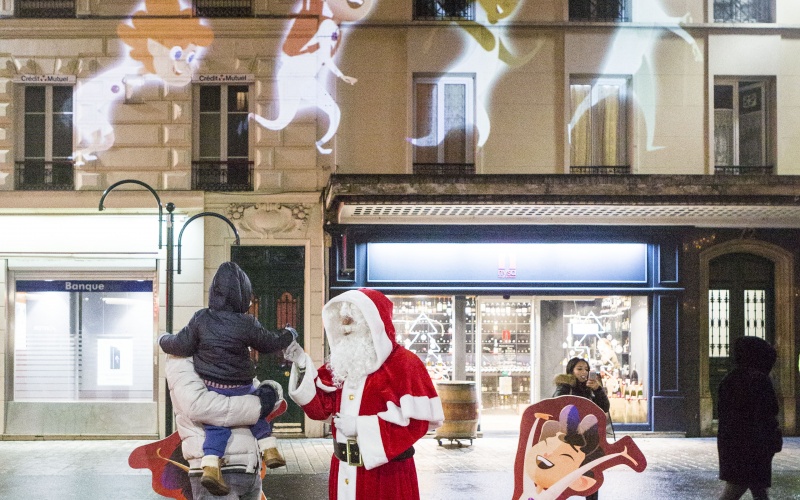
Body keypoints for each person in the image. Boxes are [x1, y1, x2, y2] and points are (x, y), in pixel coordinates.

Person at [283, 288, 444, 500]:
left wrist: (360, 426)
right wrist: (303, 363)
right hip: (343, 473)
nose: (345, 324)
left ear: (373, 323)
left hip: (386, 478)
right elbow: (321, 408)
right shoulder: (342, 364)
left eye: (352, 319)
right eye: (342, 319)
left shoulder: (404, 364)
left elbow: (417, 423)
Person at [159, 261, 297, 496]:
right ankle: (269, 449)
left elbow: (179, 343)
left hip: (249, 469)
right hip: (225, 470)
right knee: (247, 418)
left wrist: (163, 339)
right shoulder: (246, 325)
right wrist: (289, 334)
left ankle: (214, 464)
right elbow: (201, 407)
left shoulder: (200, 320)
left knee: (217, 426)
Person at [165, 354, 276, 500]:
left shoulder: (228, 347)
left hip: (250, 470)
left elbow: (252, 389)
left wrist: (271, 391)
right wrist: (260, 404)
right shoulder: (181, 356)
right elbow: (200, 407)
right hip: (217, 471)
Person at [717, 336, 782, 500]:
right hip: (754, 446)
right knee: (738, 489)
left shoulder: (729, 379)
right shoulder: (759, 380)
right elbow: (770, 411)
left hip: (734, 445)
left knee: (753, 489)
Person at [552, 357, 611, 500]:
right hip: (569, 438)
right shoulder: (566, 386)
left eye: (586, 369)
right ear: (571, 371)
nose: (583, 372)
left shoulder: (590, 388)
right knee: (563, 476)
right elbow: (556, 404)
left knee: (591, 474)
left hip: (589, 438)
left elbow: (604, 407)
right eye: (579, 369)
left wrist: (598, 390)